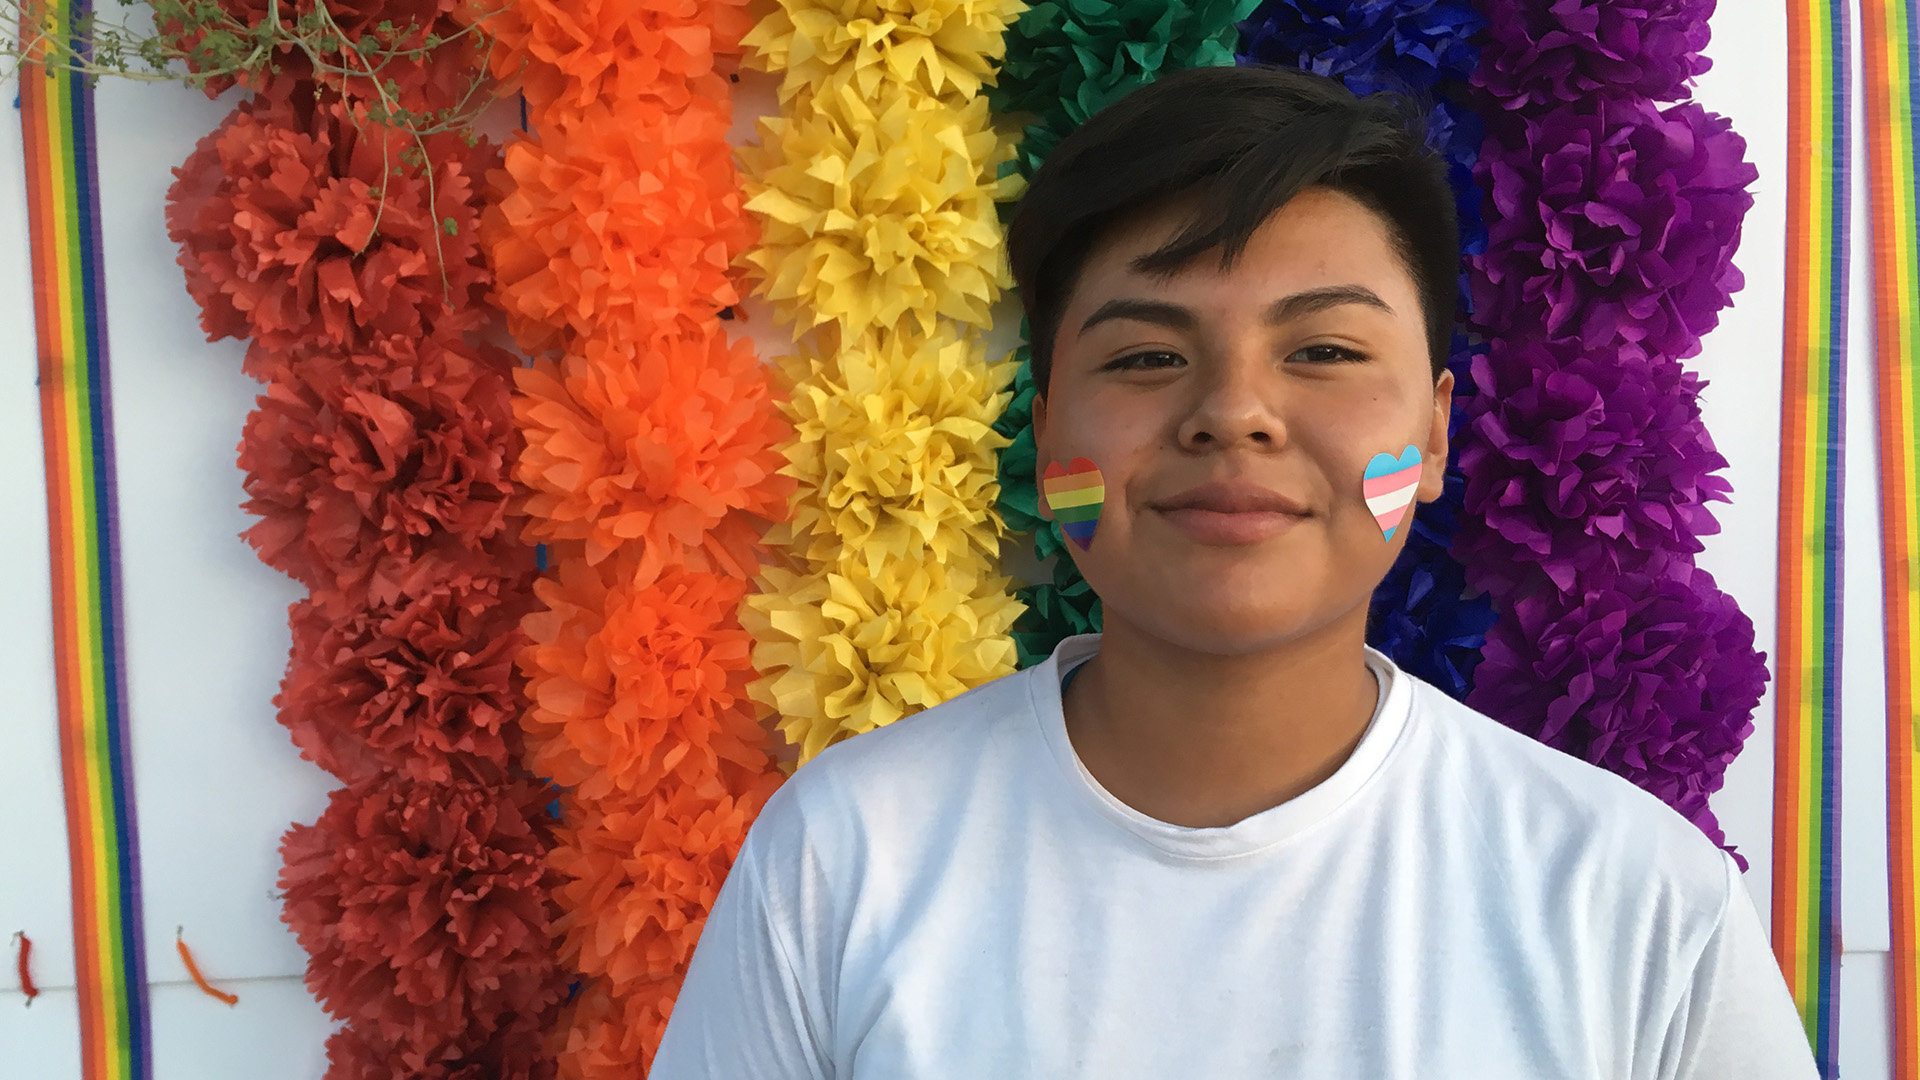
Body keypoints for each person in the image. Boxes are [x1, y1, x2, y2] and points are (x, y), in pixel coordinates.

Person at [650, 64, 1816, 1079]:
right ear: (1048, 433)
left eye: (1323, 351)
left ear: (1440, 433)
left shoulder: (1632, 901)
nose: (1233, 414)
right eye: (1150, 355)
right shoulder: (844, 858)